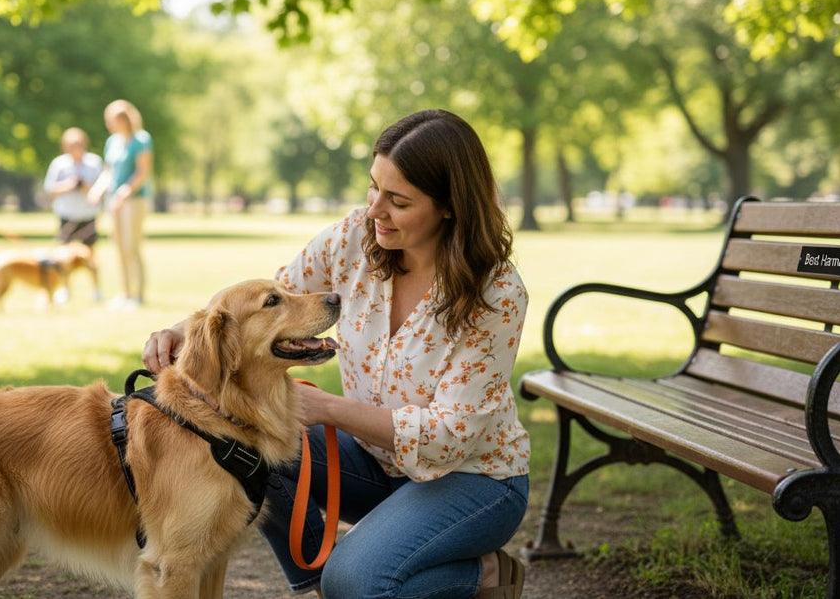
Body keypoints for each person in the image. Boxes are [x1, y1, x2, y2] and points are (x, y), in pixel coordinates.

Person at [142, 109, 530, 598]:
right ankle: (321, 582)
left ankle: (487, 574)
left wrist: (329, 409)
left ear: (449, 206)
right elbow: (275, 298)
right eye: (373, 188)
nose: (374, 210)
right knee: (245, 443)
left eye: (398, 200)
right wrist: (187, 331)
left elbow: (448, 439)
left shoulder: (496, 294)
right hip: (371, 463)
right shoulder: (357, 238)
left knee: (358, 581)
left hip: (472, 481)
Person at [88, 99, 153, 310]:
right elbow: (108, 172)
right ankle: (125, 292)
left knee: (131, 246)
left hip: (134, 200)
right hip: (114, 201)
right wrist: (98, 189)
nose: (109, 124)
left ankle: (138, 295)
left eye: (112, 120)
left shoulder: (141, 140)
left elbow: (141, 172)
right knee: (118, 247)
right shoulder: (112, 141)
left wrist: (124, 193)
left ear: (124, 119)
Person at [44, 127, 104, 302]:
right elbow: (50, 189)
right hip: (67, 214)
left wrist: (85, 187)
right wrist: (68, 185)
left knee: (91, 255)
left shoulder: (94, 162)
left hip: (87, 214)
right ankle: (64, 289)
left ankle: (96, 290)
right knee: (63, 257)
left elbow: (101, 187)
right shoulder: (59, 164)